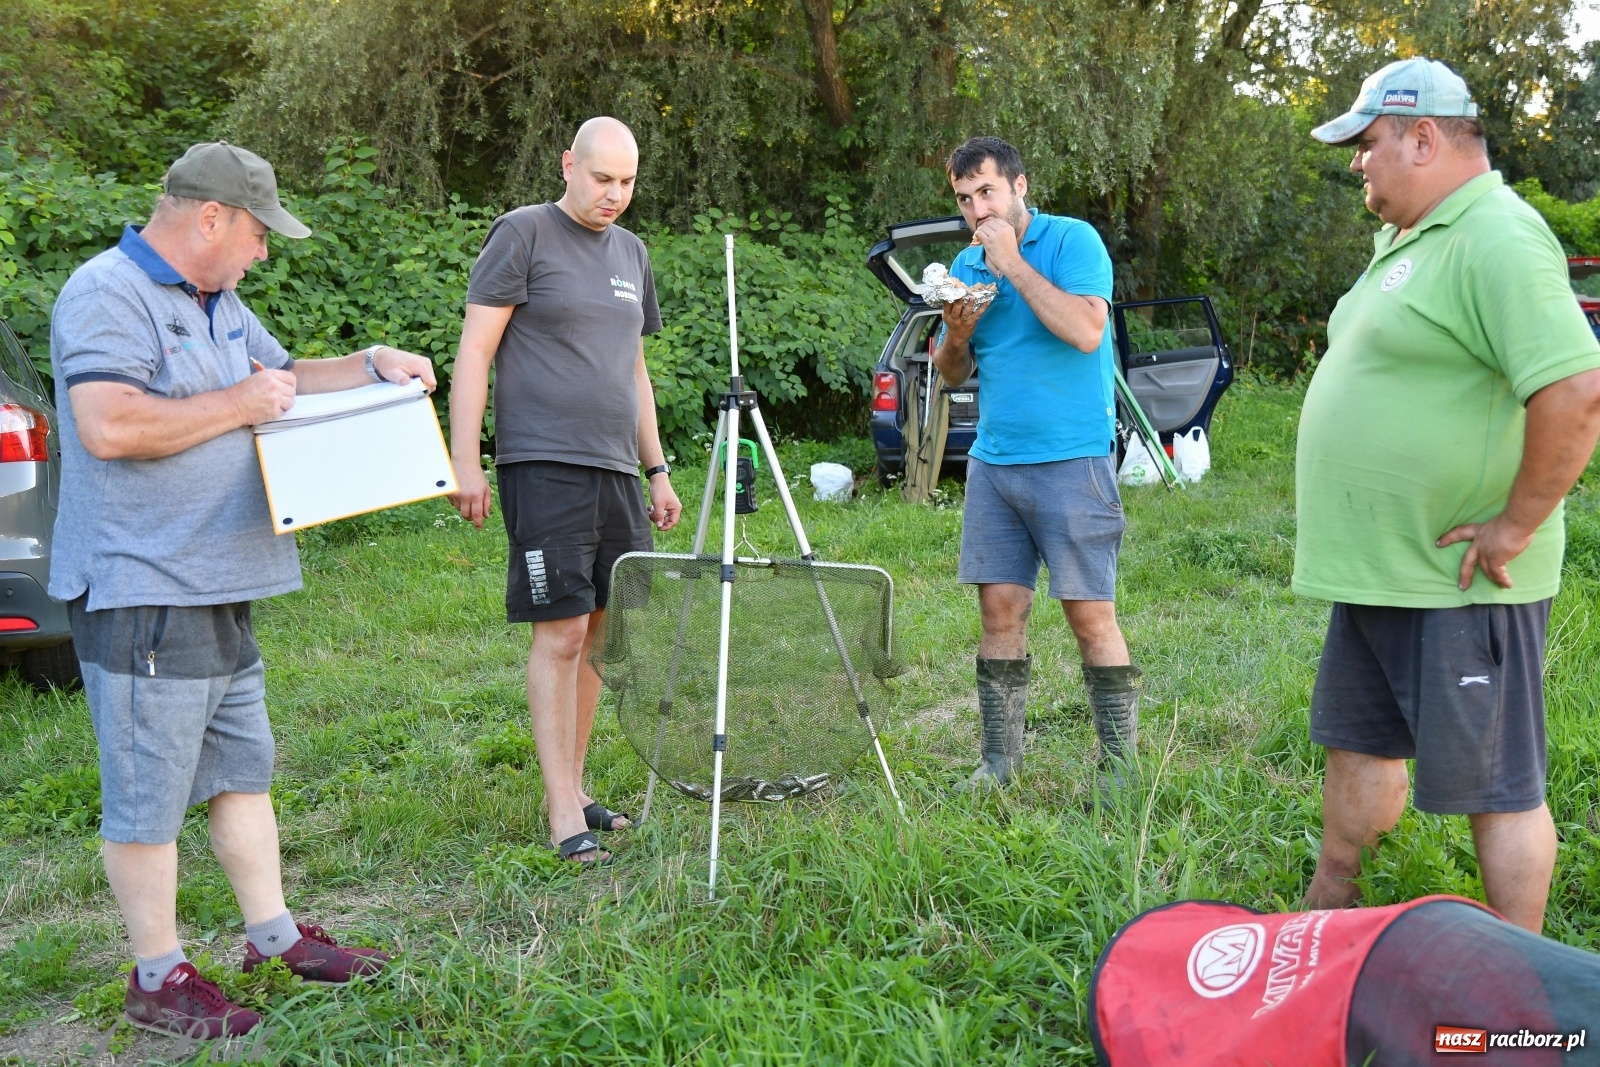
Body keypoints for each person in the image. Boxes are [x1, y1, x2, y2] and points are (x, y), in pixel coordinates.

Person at [50, 142, 436, 1037]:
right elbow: (108, 424)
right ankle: (157, 978)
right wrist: (238, 406)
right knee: (148, 793)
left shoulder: (215, 301)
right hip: (146, 584)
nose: (264, 252)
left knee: (240, 772)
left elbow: (284, 383)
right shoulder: (107, 292)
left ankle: (274, 938)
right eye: (259, 233)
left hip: (222, 578)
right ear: (211, 217)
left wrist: (374, 360)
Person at [1295, 58, 1600, 932]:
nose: (1357, 161)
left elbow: (1577, 388)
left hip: (1461, 579)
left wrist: (1514, 524)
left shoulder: (1497, 234)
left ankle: (1521, 968)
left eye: (1368, 143)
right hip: (1381, 569)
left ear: (1423, 138)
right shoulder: (1413, 238)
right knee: (1355, 741)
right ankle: (1330, 902)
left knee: (1498, 784)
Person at [448, 116, 682, 866]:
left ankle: (577, 786)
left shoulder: (632, 253)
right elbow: (475, 350)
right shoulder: (522, 233)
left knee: (605, 634)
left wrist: (657, 467)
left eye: (628, 182)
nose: (615, 195)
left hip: (617, 469)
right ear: (567, 166)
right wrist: (465, 458)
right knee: (560, 631)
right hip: (543, 464)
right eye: (602, 178)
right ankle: (559, 808)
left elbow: (634, 369)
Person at [931, 135, 1142, 790]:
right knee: (999, 613)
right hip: (994, 463)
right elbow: (949, 373)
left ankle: (1121, 767)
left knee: (1088, 613)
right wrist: (958, 329)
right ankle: (999, 763)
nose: (977, 210)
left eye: (986, 191)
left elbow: (1086, 331)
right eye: (965, 199)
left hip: (1071, 459)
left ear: (1019, 186)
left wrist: (1013, 263)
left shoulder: (1073, 241)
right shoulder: (967, 264)